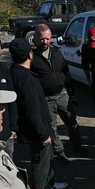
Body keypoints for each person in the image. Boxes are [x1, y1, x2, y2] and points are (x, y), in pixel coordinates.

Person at [8, 38, 65, 189]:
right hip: (37, 130)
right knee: (40, 162)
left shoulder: (13, 72)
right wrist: (43, 134)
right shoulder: (26, 79)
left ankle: (49, 185)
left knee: (47, 159)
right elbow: (32, 110)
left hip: (32, 127)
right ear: (30, 55)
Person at [29, 24, 84, 159]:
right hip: (46, 99)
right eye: (42, 39)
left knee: (72, 122)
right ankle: (60, 153)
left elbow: (66, 72)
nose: (45, 42)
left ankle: (77, 146)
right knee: (52, 128)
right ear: (34, 39)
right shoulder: (31, 57)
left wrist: (71, 93)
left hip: (62, 94)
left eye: (48, 39)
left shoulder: (57, 52)